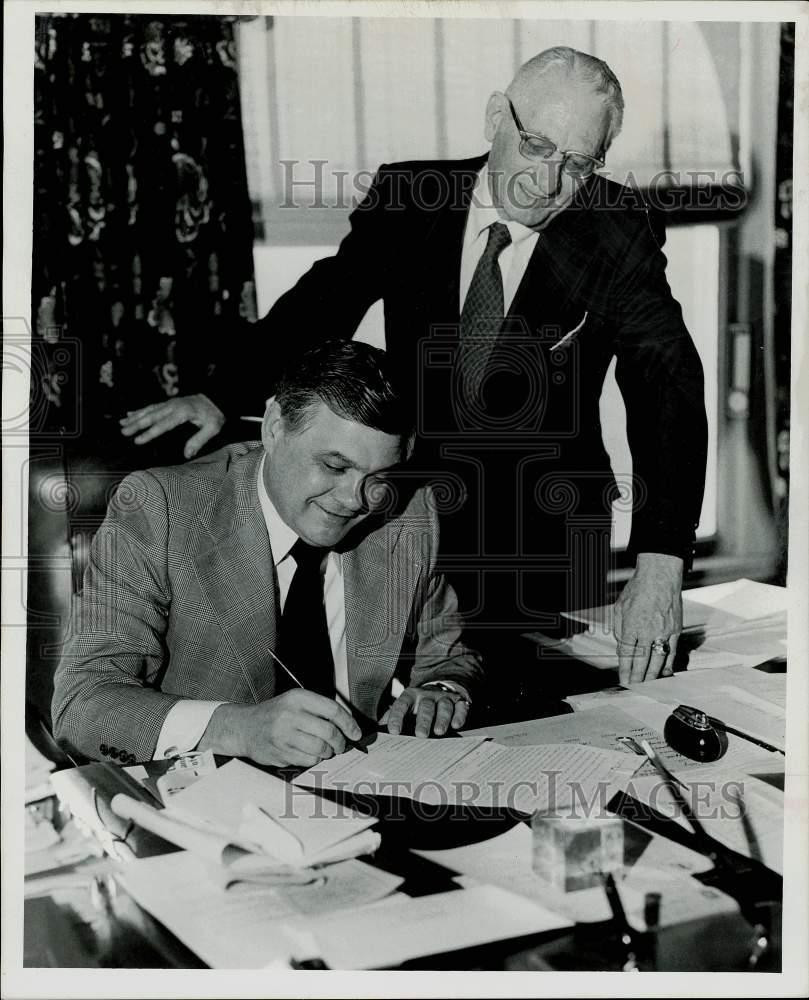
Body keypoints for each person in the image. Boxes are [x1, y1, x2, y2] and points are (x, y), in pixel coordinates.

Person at [118, 46, 708, 692]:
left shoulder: (615, 228)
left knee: (545, 720)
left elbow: (665, 383)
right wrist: (219, 394)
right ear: (495, 118)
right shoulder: (409, 197)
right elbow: (325, 300)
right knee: (402, 702)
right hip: (406, 509)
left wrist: (661, 561)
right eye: (536, 146)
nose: (547, 181)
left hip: (547, 529)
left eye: (577, 162)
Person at [53, 341, 483, 767]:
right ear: (274, 427)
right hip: (212, 801)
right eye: (334, 466)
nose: (357, 499)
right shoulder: (159, 509)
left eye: (379, 476)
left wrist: (441, 691)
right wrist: (238, 729)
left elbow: (449, 658)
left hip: (362, 791)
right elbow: (83, 703)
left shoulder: (410, 515)